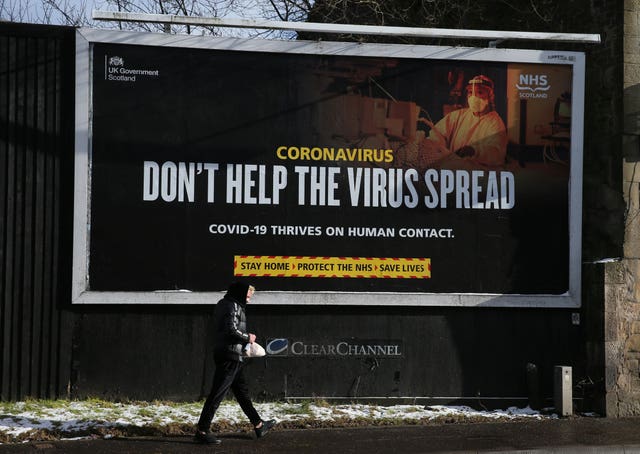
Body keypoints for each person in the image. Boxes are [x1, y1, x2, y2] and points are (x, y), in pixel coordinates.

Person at [195, 281, 275, 444]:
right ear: (240, 293)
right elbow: (230, 329)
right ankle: (202, 431)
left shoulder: (224, 304)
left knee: (242, 393)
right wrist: (248, 338)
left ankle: (259, 424)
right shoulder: (233, 306)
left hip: (230, 354)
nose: (249, 300)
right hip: (230, 356)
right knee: (217, 394)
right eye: (247, 296)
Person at [419, 74, 508, 168]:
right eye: (470, 92)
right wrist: (438, 151)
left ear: (490, 97)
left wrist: (474, 151)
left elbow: (497, 153)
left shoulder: (495, 123)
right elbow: (437, 133)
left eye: (480, 92)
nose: (474, 97)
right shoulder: (458, 115)